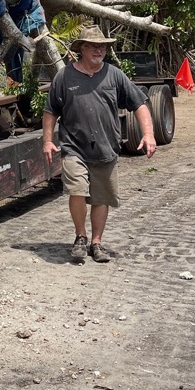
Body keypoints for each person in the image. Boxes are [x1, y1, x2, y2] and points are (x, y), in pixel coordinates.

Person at [41, 25, 156, 264]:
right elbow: (50, 111)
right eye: (93, 46)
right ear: (81, 48)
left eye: (102, 46)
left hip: (106, 147)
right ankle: (80, 236)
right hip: (74, 146)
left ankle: (96, 242)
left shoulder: (114, 75)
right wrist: (48, 141)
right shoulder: (65, 76)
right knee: (77, 190)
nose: (98, 50)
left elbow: (140, 104)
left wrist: (148, 134)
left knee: (101, 197)